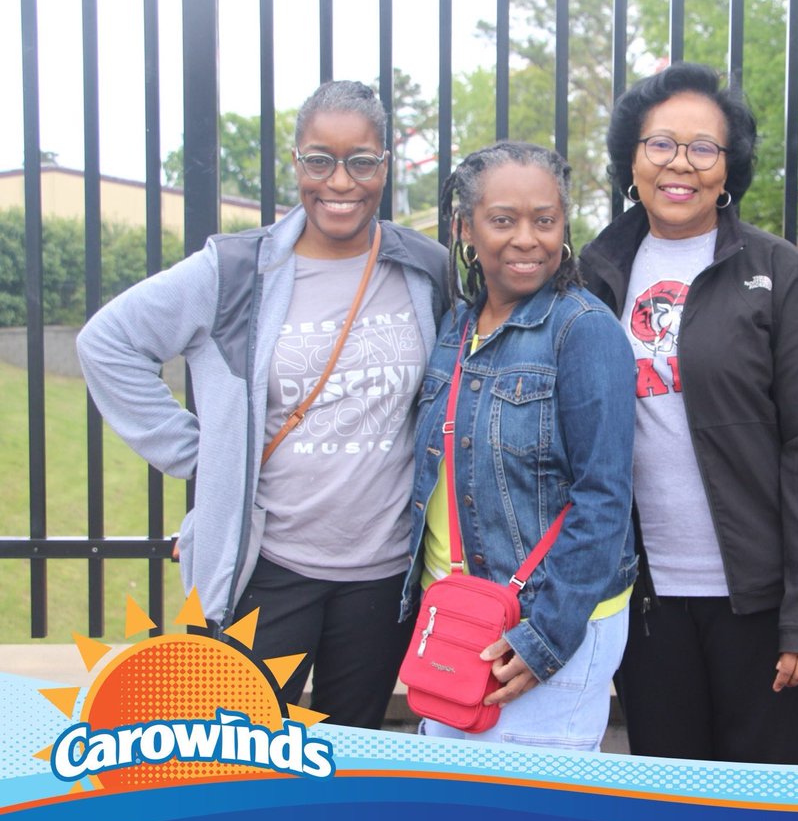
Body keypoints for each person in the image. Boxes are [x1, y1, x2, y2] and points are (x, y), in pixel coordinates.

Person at [77, 80, 449, 729]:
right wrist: (206, 458)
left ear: (385, 166)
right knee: (235, 754)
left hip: (381, 575)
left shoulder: (423, 270)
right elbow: (106, 344)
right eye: (318, 159)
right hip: (267, 567)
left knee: (349, 756)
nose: (340, 180)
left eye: (361, 160)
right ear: (296, 163)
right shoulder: (236, 272)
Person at [579, 62, 798, 764]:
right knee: (670, 800)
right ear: (631, 159)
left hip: (756, 603)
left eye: (704, 148)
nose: (680, 165)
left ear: (729, 168)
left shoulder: (778, 271)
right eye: (660, 144)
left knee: (766, 804)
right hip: (641, 602)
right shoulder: (593, 272)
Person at [402, 141, 637, 750]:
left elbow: (604, 498)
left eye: (545, 220)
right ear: (465, 228)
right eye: (503, 220)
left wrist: (547, 638)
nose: (526, 239)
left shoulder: (584, 331)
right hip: (458, 618)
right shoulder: (456, 328)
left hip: (538, 626)